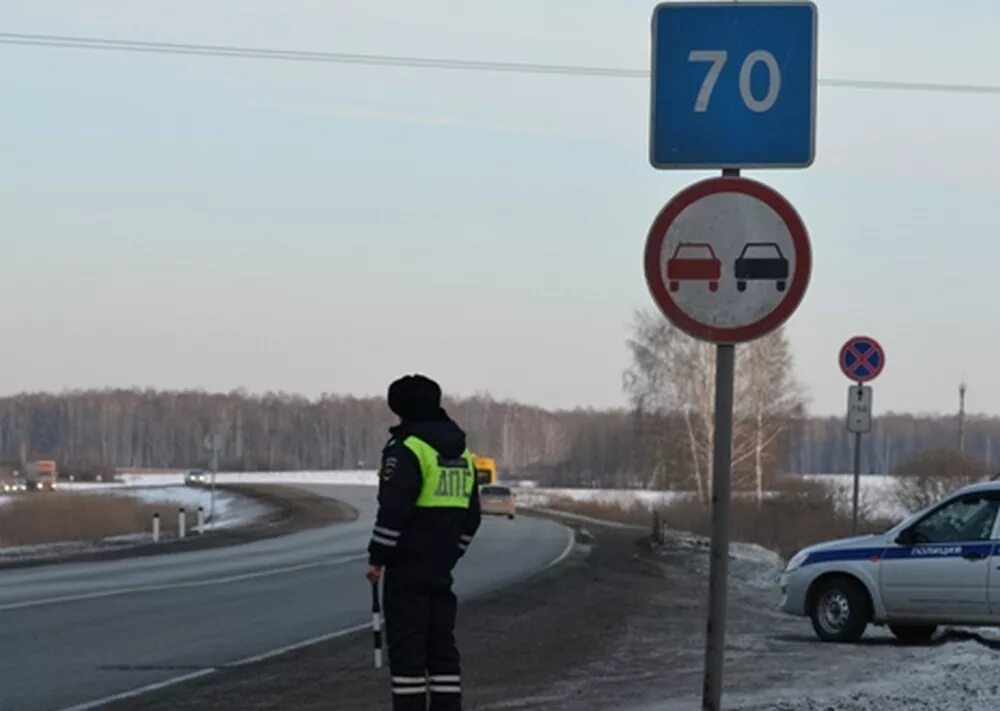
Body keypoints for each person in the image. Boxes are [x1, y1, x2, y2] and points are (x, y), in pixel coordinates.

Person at [366, 374, 481, 711]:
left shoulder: (407, 449)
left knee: (408, 652)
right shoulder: (464, 453)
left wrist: (377, 558)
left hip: (406, 568)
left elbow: (393, 511)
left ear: (399, 409)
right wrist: (450, 555)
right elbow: (472, 517)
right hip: (441, 568)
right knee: (441, 647)